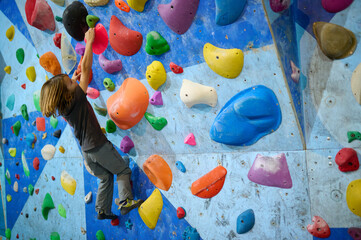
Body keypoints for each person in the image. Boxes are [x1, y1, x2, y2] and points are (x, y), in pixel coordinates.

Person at [39, 28, 143, 220]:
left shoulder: (65, 106)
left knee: (105, 177)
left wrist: (74, 80)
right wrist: (89, 42)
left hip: (87, 153)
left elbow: (76, 80)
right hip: (98, 146)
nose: (73, 80)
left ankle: (102, 209)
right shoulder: (77, 97)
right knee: (122, 170)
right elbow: (86, 69)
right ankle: (125, 201)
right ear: (68, 93)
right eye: (70, 82)